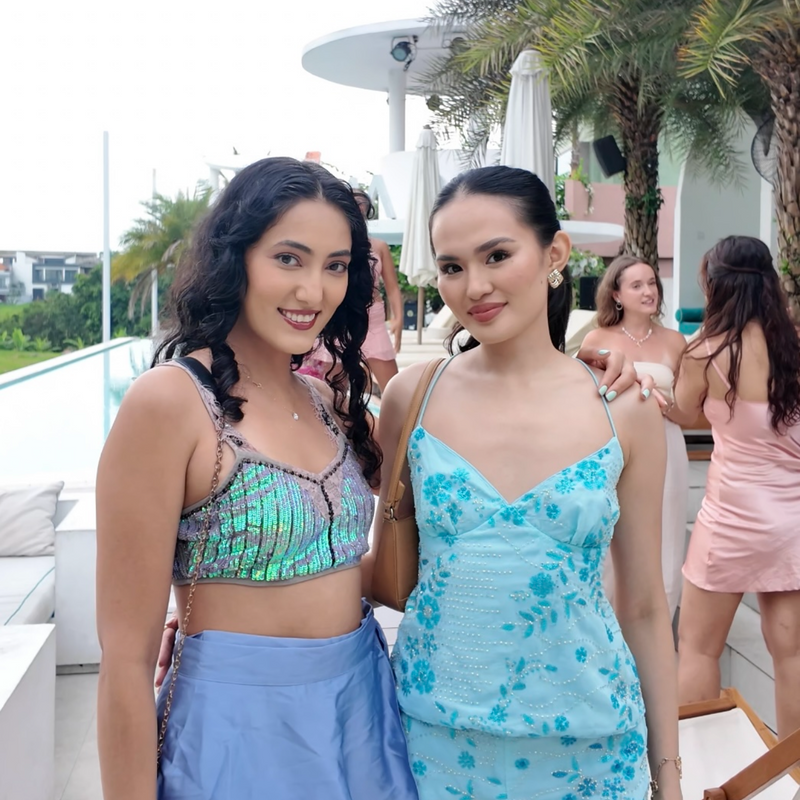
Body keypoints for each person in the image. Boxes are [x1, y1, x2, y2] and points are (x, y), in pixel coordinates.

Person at [95, 157, 420, 800]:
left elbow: (387, 549)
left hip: (362, 713)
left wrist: (588, 376)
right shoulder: (170, 403)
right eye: (289, 259)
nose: (313, 291)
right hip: (236, 732)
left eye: (335, 265)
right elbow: (125, 662)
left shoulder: (326, 403)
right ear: (234, 257)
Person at [373, 166, 681, 800]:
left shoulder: (624, 408)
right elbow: (374, 560)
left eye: (497, 255)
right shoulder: (412, 397)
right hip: (435, 743)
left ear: (555, 254)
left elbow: (646, 605)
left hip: (593, 749)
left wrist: (669, 774)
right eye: (452, 266)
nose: (474, 286)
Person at [670, 235, 800, 740]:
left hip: (731, 518)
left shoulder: (707, 350)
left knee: (698, 649)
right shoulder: (793, 344)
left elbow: (684, 413)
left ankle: (700, 766)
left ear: (717, 284)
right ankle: (794, 772)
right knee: (791, 655)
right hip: (790, 520)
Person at [582, 255, 689, 622]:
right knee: (612, 535)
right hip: (613, 444)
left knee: (667, 533)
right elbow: (586, 398)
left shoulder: (675, 341)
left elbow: (688, 411)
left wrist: (662, 405)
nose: (648, 292)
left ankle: (658, 621)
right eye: (637, 285)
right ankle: (606, 626)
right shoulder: (597, 340)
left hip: (667, 442)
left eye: (652, 283)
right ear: (616, 294)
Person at [300, 189, 403, 392]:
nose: (359, 208)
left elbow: (392, 288)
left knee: (394, 386)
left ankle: (396, 412)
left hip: (372, 317)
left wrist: (398, 318)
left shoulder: (379, 246)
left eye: (362, 205)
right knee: (333, 387)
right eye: (354, 204)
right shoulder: (332, 246)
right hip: (342, 315)